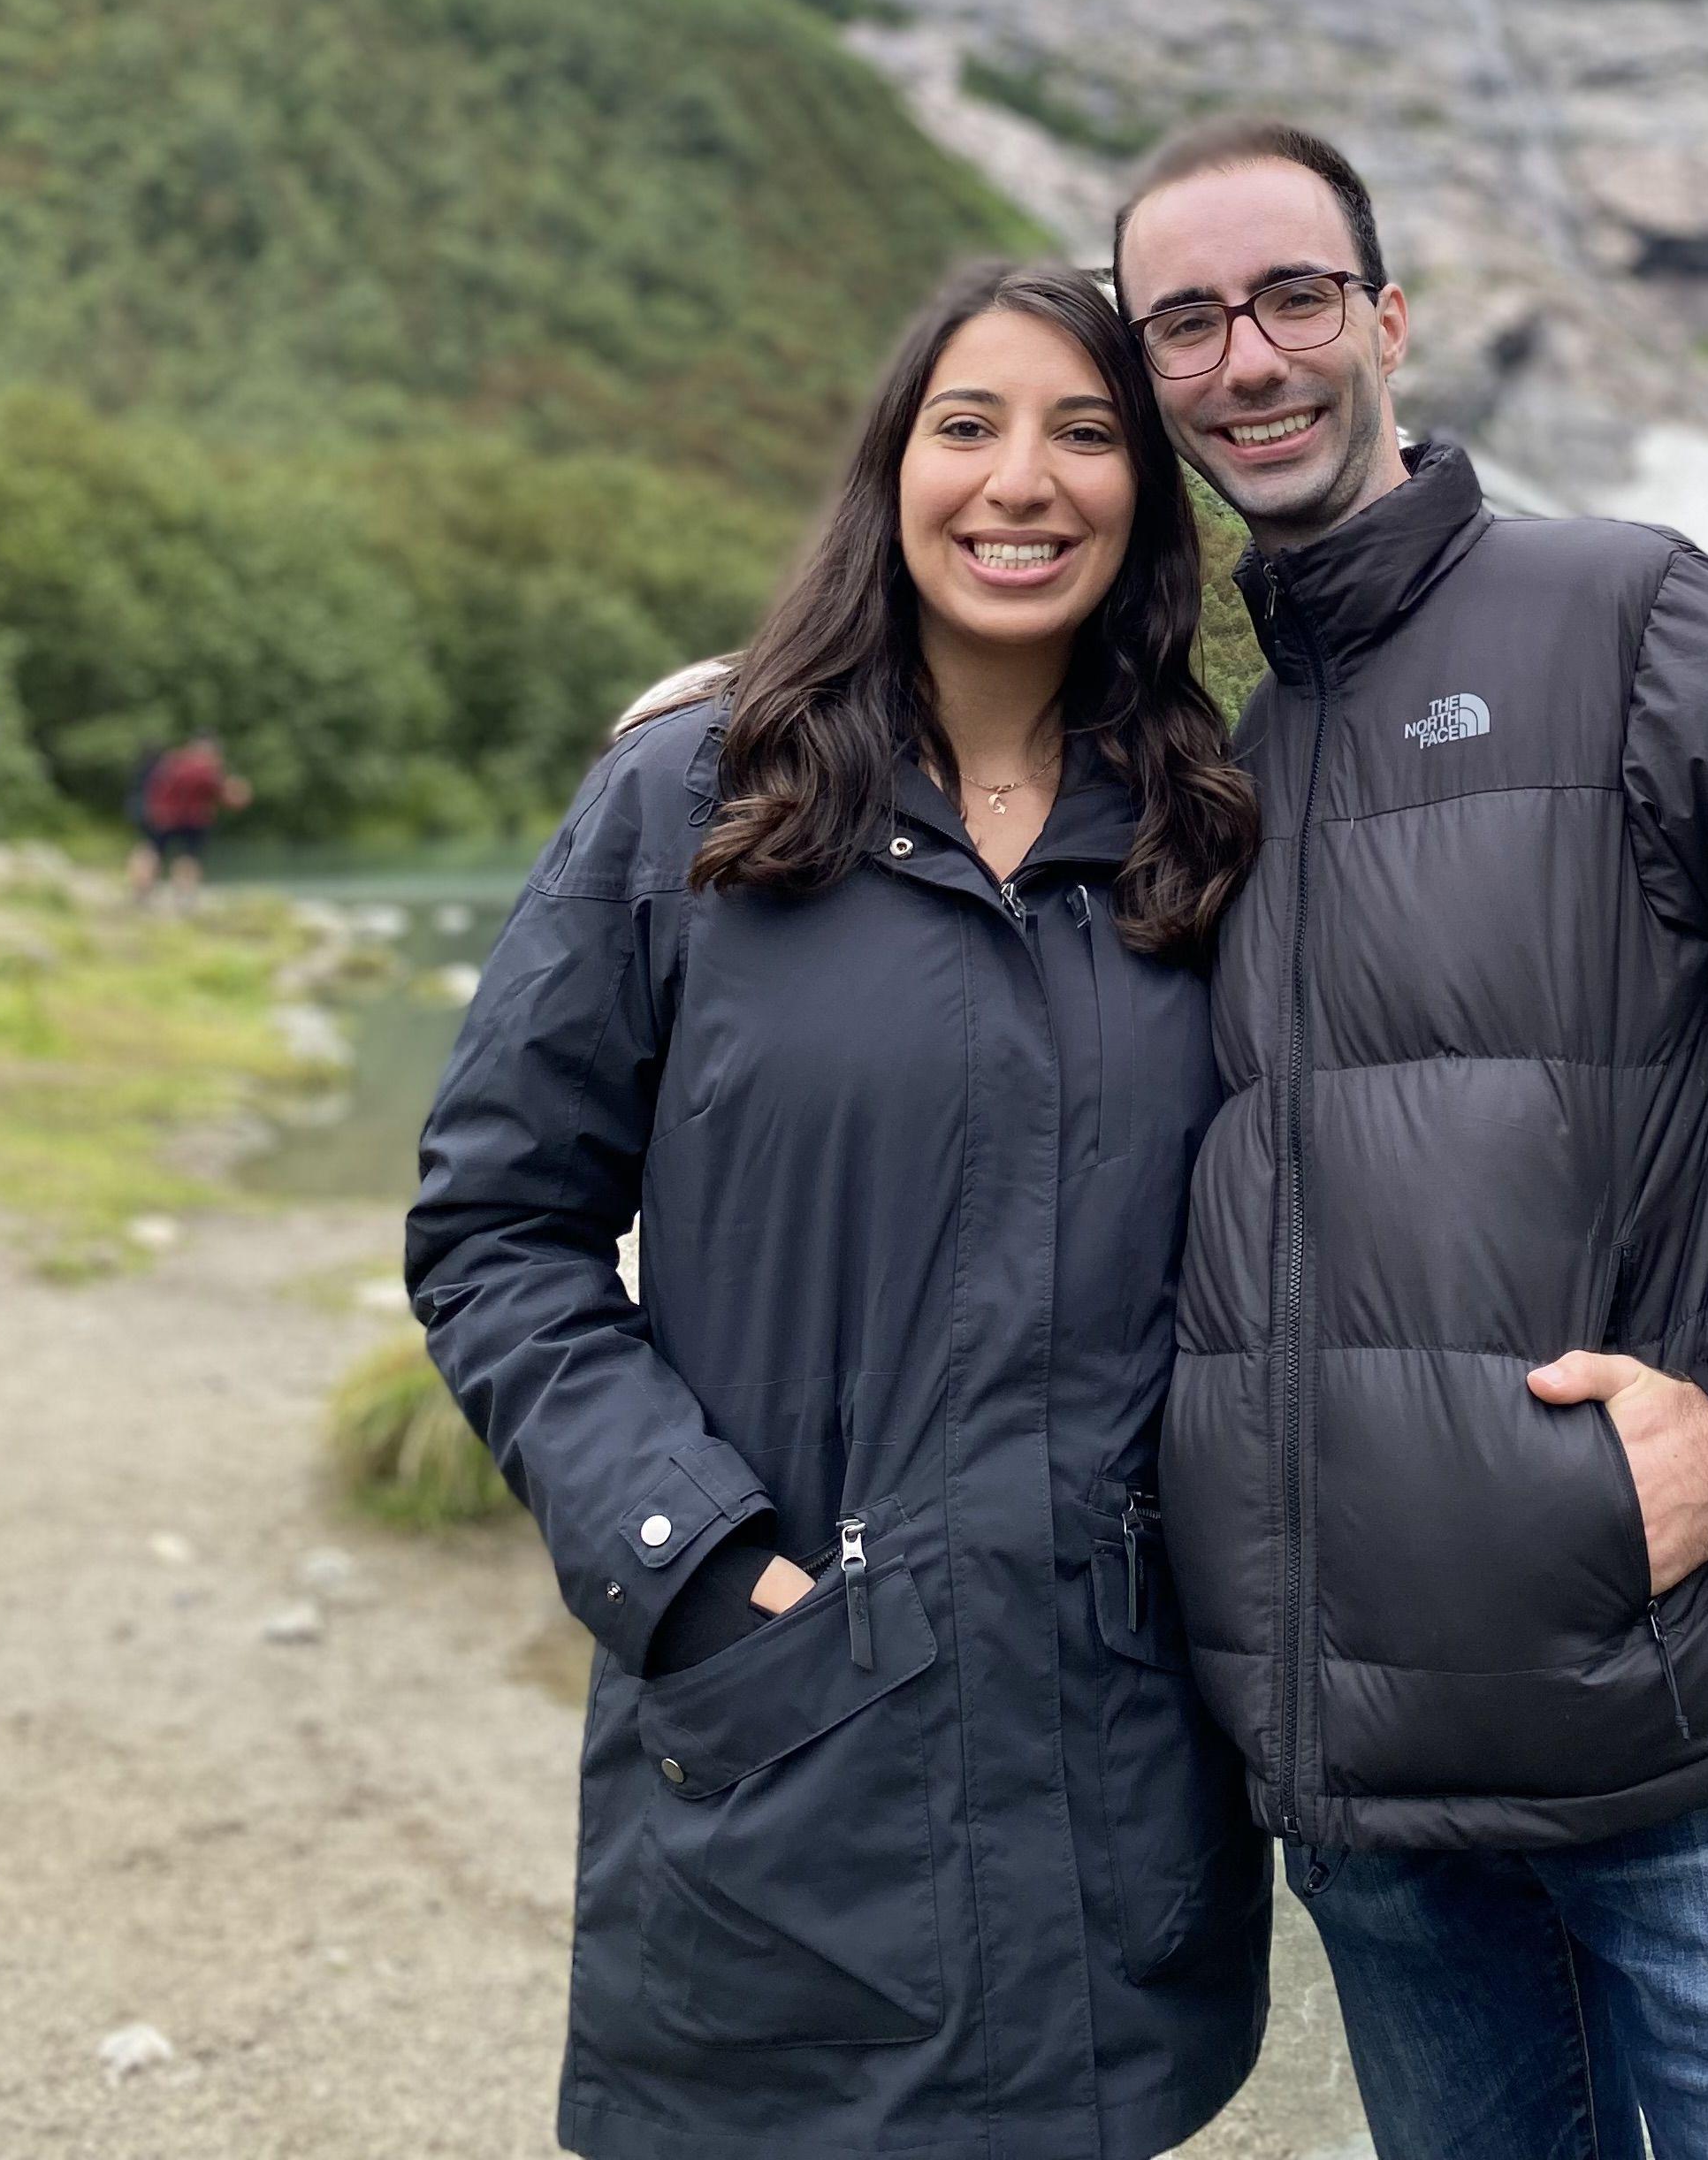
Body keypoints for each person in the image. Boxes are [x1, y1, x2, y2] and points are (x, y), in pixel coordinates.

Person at [1111, 117, 1708, 2160]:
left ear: (1387, 319)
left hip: (1696, 1733)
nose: (1245, 357)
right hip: (1364, 1799)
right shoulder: (1208, 766)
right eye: (1181, 321)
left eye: (1290, 296)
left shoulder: (1628, 620)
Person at [407, 261, 1274, 2160]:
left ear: (1147, 501)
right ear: (892, 471)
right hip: (786, 1723)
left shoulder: (1207, 842)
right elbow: (495, 1228)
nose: (1020, 482)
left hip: (1118, 1775)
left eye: (1087, 431)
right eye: (967, 426)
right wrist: (696, 1564)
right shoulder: (691, 804)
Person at [126, 734, 250, 903]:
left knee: (150, 851)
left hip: (159, 815)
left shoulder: (171, 760)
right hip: (192, 820)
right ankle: (184, 898)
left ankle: (140, 893)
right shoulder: (207, 768)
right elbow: (230, 798)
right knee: (189, 858)